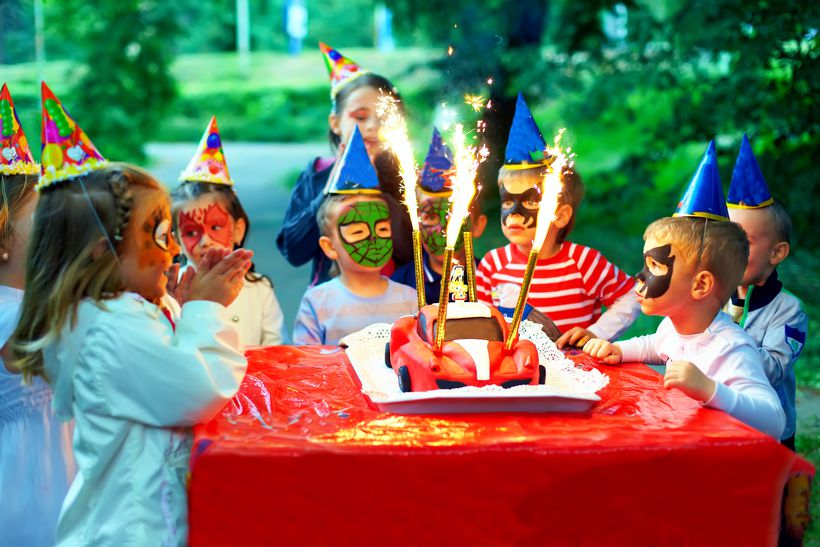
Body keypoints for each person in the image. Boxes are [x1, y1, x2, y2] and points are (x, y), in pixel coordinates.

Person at [10, 83, 250, 546]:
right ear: (105, 253)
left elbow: (160, 368)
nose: (175, 250)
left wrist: (179, 306)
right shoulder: (108, 326)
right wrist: (206, 306)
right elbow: (198, 388)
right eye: (161, 236)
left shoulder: (108, 313)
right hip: (133, 530)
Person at [583, 142, 785, 439]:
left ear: (701, 285)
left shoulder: (729, 348)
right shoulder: (672, 327)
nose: (640, 276)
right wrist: (618, 350)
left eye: (655, 266)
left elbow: (774, 420)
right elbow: (654, 344)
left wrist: (711, 390)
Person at [476, 94, 639, 347]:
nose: (514, 214)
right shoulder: (492, 264)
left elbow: (631, 295)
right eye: (507, 201)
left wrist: (597, 333)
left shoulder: (585, 263)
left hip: (578, 371)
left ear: (560, 215)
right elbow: (482, 320)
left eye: (530, 201)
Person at [0, 83, 74, 547]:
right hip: (28, 480)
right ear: (3, 238)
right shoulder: (14, 315)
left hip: (54, 459)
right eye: (44, 222)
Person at [276, 42, 411, 287]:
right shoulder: (316, 174)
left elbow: (411, 250)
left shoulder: (405, 177)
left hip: (397, 306)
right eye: (360, 117)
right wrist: (329, 191)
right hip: (332, 310)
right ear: (335, 122)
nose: (372, 126)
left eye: (384, 118)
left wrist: (377, 191)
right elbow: (293, 252)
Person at [293, 127, 417, 345]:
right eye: (358, 231)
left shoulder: (410, 299)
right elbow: (306, 364)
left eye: (382, 230)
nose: (373, 239)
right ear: (329, 247)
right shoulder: (317, 302)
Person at [724, 135, 808, 449]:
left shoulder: (788, 310)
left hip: (770, 431)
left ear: (776, 253)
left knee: (774, 495)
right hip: (722, 421)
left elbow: (773, 368)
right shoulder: (716, 299)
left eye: (743, 241)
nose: (730, 250)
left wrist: (723, 335)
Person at [171, 116, 284, 347]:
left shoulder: (259, 289)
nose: (206, 240)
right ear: (176, 239)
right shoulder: (172, 291)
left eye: (215, 227)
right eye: (191, 232)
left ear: (238, 230)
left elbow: (275, 347)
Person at [391, 128, 487, 304]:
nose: (443, 229)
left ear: (478, 225)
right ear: (417, 225)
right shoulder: (400, 284)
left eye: (454, 217)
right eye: (431, 217)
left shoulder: (489, 279)